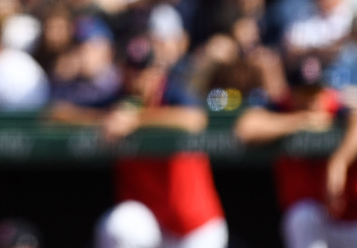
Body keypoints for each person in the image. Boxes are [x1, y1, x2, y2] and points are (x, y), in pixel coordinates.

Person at [52, 36, 228, 248]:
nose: (137, 77)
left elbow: (196, 120)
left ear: (158, 72)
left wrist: (136, 120)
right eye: (131, 69)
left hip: (195, 228)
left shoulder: (173, 94)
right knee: (120, 226)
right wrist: (105, 119)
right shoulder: (118, 101)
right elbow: (57, 113)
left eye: (144, 70)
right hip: (152, 227)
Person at [234, 55, 357, 248]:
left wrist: (339, 162)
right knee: (303, 216)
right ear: (292, 91)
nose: (313, 99)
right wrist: (301, 119)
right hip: (311, 215)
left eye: (316, 91)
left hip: (355, 212)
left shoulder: (334, 103)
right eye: (305, 92)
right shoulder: (283, 107)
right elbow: (245, 129)